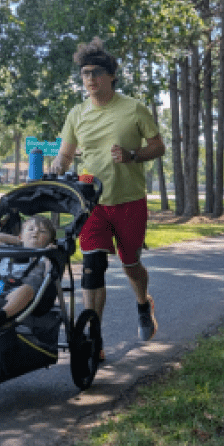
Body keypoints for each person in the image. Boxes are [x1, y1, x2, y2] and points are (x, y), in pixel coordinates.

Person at [49, 37, 166, 342]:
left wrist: (133, 155)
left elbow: (158, 146)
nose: (90, 79)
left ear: (111, 76)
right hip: (92, 202)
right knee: (92, 266)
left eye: (95, 73)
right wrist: (57, 165)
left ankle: (143, 303)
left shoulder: (133, 109)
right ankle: (93, 337)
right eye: (85, 74)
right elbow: (66, 153)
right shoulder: (76, 114)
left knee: (130, 264)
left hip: (129, 201)